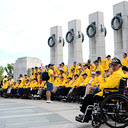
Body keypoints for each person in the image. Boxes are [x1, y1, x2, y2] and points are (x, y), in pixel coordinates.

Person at [76, 58, 124, 123]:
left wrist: (100, 86)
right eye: (112, 65)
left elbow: (110, 85)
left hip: (110, 94)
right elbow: (108, 81)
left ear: (119, 66)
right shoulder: (116, 73)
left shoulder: (117, 74)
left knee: (89, 97)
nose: (113, 67)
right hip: (111, 92)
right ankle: (87, 115)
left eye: (114, 65)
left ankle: (87, 116)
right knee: (90, 96)